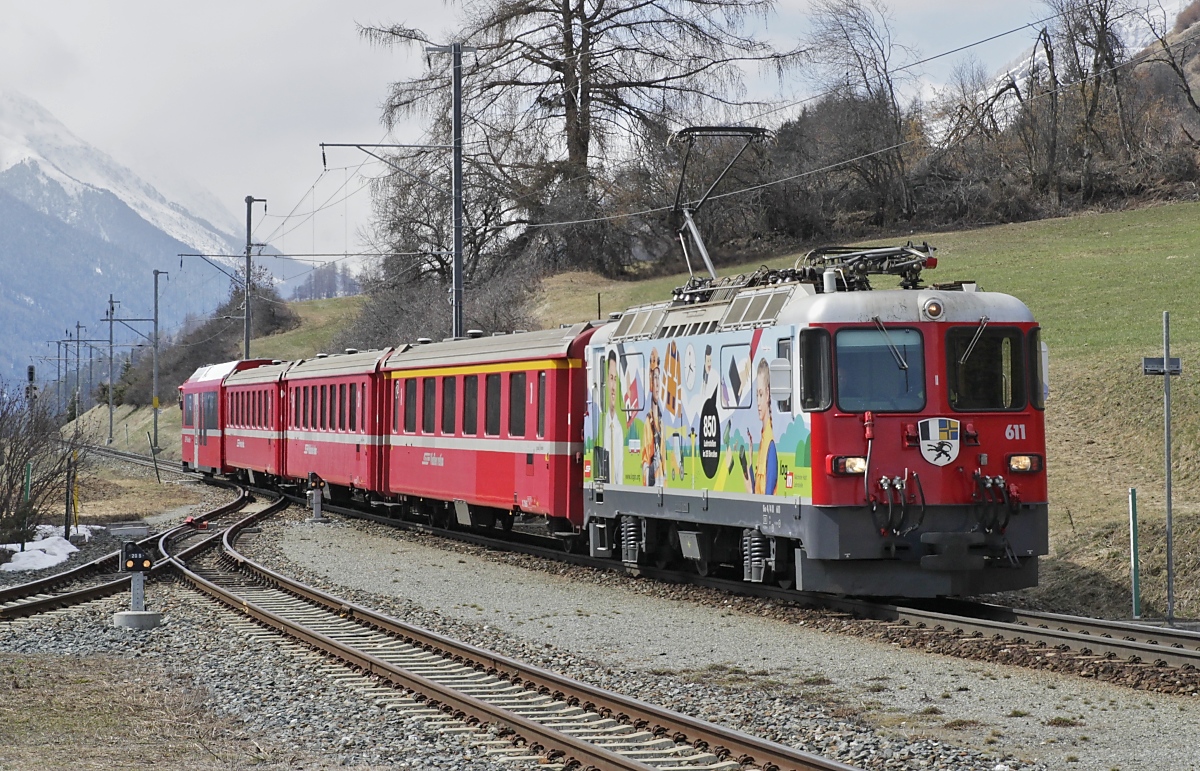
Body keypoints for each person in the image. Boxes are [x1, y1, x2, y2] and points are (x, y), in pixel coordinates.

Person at [743, 358, 778, 495]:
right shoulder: (763, 439)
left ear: (768, 394)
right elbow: (757, 488)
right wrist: (750, 462)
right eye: (757, 395)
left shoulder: (770, 443)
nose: (758, 402)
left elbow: (767, 496)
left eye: (761, 394)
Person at [642, 347, 665, 485]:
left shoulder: (662, 423)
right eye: (654, 378)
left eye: (658, 378)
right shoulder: (648, 424)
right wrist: (652, 469)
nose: (657, 384)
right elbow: (644, 463)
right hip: (653, 486)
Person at [604, 350, 625, 484]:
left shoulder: (619, 430)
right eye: (611, 378)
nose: (613, 387)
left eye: (616, 379)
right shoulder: (601, 426)